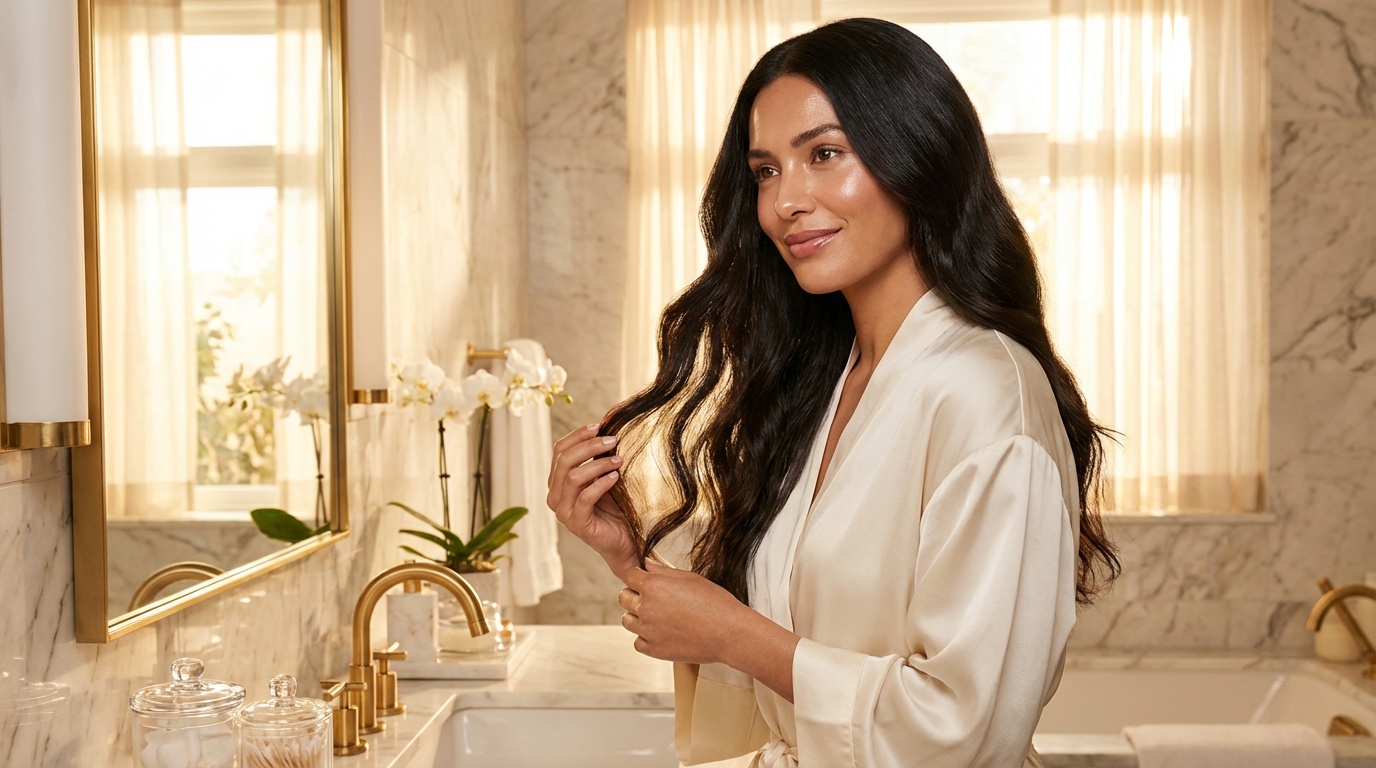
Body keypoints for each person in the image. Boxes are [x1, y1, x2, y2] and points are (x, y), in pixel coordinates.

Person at [547, 17, 1119, 768]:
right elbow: (784, 668)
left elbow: (962, 733)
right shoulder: (831, 383)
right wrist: (635, 562)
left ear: (918, 158)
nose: (786, 201)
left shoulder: (984, 395)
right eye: (765, 171)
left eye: (824, 154)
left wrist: (733, 634)